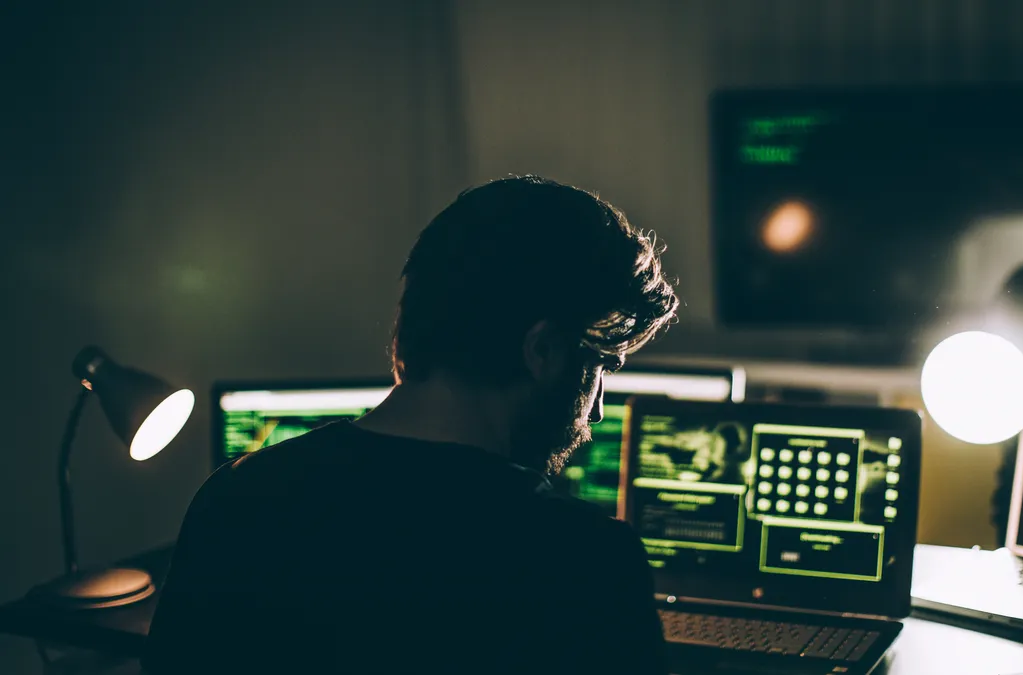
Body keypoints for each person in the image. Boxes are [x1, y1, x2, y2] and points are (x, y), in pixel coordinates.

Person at [142, 176, 679, 674]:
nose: (598, 410)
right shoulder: (585, 563)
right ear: (541, 350)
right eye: (600, 368)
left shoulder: (231, 500)